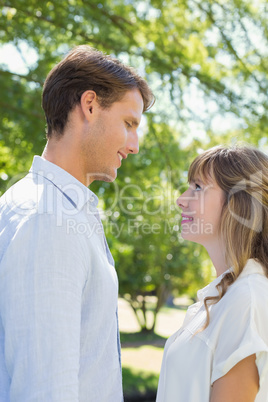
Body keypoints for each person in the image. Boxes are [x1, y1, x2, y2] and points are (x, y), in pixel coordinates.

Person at [0, 45, 154, 401]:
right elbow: (45, 389)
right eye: (129, 124)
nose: (134, 145)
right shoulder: (48, 218)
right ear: (89, 105)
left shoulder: (58, 208)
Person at [156, 145, 268, 402]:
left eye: (198, 188)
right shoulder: (221, 298)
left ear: (239, 205)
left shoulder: (247, 300)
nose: (181, 200)